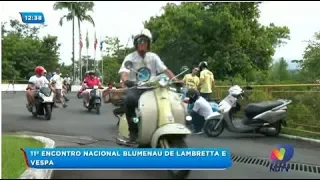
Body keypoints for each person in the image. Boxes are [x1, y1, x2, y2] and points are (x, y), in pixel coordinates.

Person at [119, 28, 176, 143]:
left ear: (149, 43)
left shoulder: (153, 57)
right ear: (136, 43)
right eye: (140, 40)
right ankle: (133, 133)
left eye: (145, 41)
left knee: (171, 100)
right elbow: (124, 72)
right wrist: (126, 80)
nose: (142, 43)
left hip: (153, 87)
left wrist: (176, 79)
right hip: (136, 88)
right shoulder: (130, 57)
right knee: (129, 100)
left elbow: (164, 69)